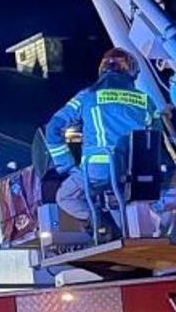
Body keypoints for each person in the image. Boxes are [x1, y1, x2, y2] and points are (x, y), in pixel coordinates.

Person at [41, 47, 162, 241]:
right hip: (136, 172)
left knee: (65, 197)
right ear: (132, 72)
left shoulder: (87, 96)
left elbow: (53, 128)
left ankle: (102, 225)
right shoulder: (147, 101)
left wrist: (66, 165)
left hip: (98, 170)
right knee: (130, 205)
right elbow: (155, 139)